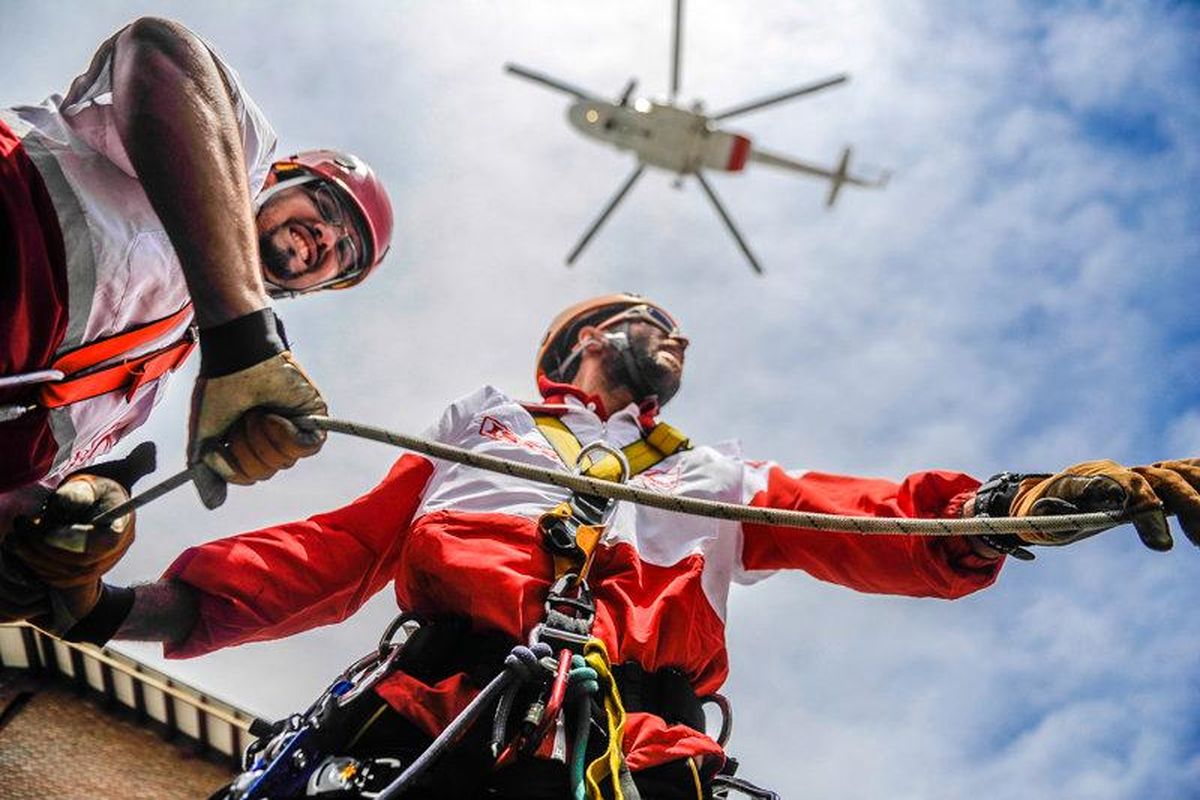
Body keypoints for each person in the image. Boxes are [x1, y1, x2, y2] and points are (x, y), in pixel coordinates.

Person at [7, 294, 1199, 799]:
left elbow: (875, 518)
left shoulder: (713, 479)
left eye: (680, 335)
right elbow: (327, 555)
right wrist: (110, 610)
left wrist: (1028, 500)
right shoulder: (482, 435)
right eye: (646, 322)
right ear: (576, 342)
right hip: (435, 701)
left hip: (634, 738)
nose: (671, 337)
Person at [0, 18, 395, 538]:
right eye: (325, 204)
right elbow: (158, 49)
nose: (326, 237)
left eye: (345, 252)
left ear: (315, 288)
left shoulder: (149, 387)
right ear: (279, 178)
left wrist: (48, 530)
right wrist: (245, 335)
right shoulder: (236, 152)